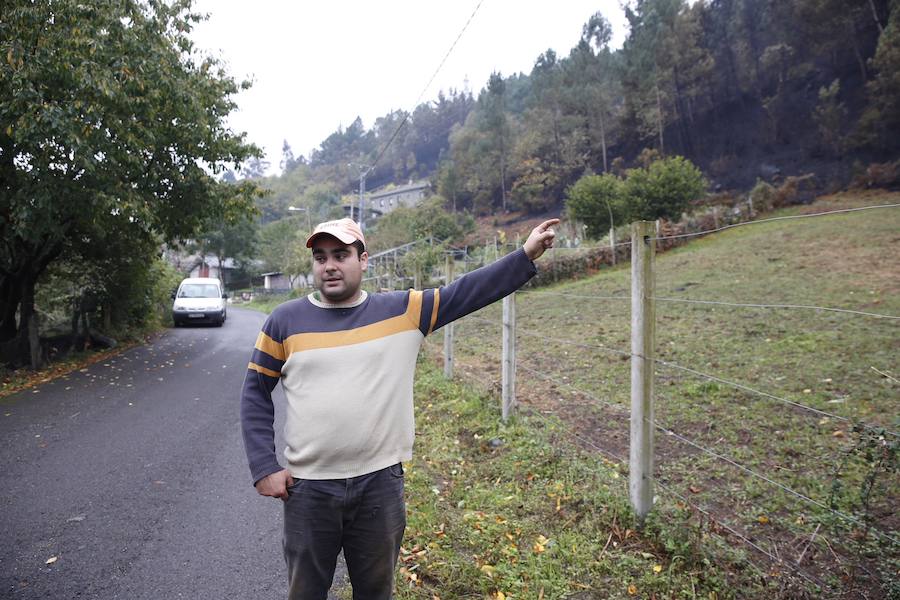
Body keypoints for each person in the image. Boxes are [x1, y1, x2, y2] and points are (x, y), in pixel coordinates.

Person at [241, 216, 559, 599]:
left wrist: (525, 254)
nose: (329, 266)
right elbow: (256, 392)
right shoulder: (284, 321)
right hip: (309, 490)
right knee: (305, 591)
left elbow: (467, 292)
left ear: (364, 260)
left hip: (379, 484)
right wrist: (264, 466)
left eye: (341, 255)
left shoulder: (404, 311)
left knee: (376, 591)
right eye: (321, 257)